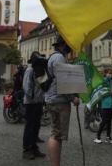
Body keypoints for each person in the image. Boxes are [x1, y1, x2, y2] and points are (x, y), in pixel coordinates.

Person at [44, 36, 82, 166]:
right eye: (68, 46)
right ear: (63, 46)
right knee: (56, 134)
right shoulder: (59, 58)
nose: (69, 49)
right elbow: (63, 81)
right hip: (59, 101)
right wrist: (73, 98)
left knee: (55, 133)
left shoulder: (53, 57)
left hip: (52, 98)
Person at [21, 51, 47, 159]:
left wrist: (41, 99)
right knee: (30, 126)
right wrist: (32, 98)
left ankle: (34, 147)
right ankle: (27, 149)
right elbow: (26, 86)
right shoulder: (30, 70)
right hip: (31, 103)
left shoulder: (40, 70)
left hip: (38, 102)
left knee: (36, 126)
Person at [94, 68, 112, 144]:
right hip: (104, 104)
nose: (110, 74)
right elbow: (99, 91)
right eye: (109, 73)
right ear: (105, 73)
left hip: (111, 104)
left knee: (109, 122)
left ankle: (108, 137)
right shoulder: (102, 81)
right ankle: (98, 137)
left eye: (111, 73)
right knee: (104, 121)